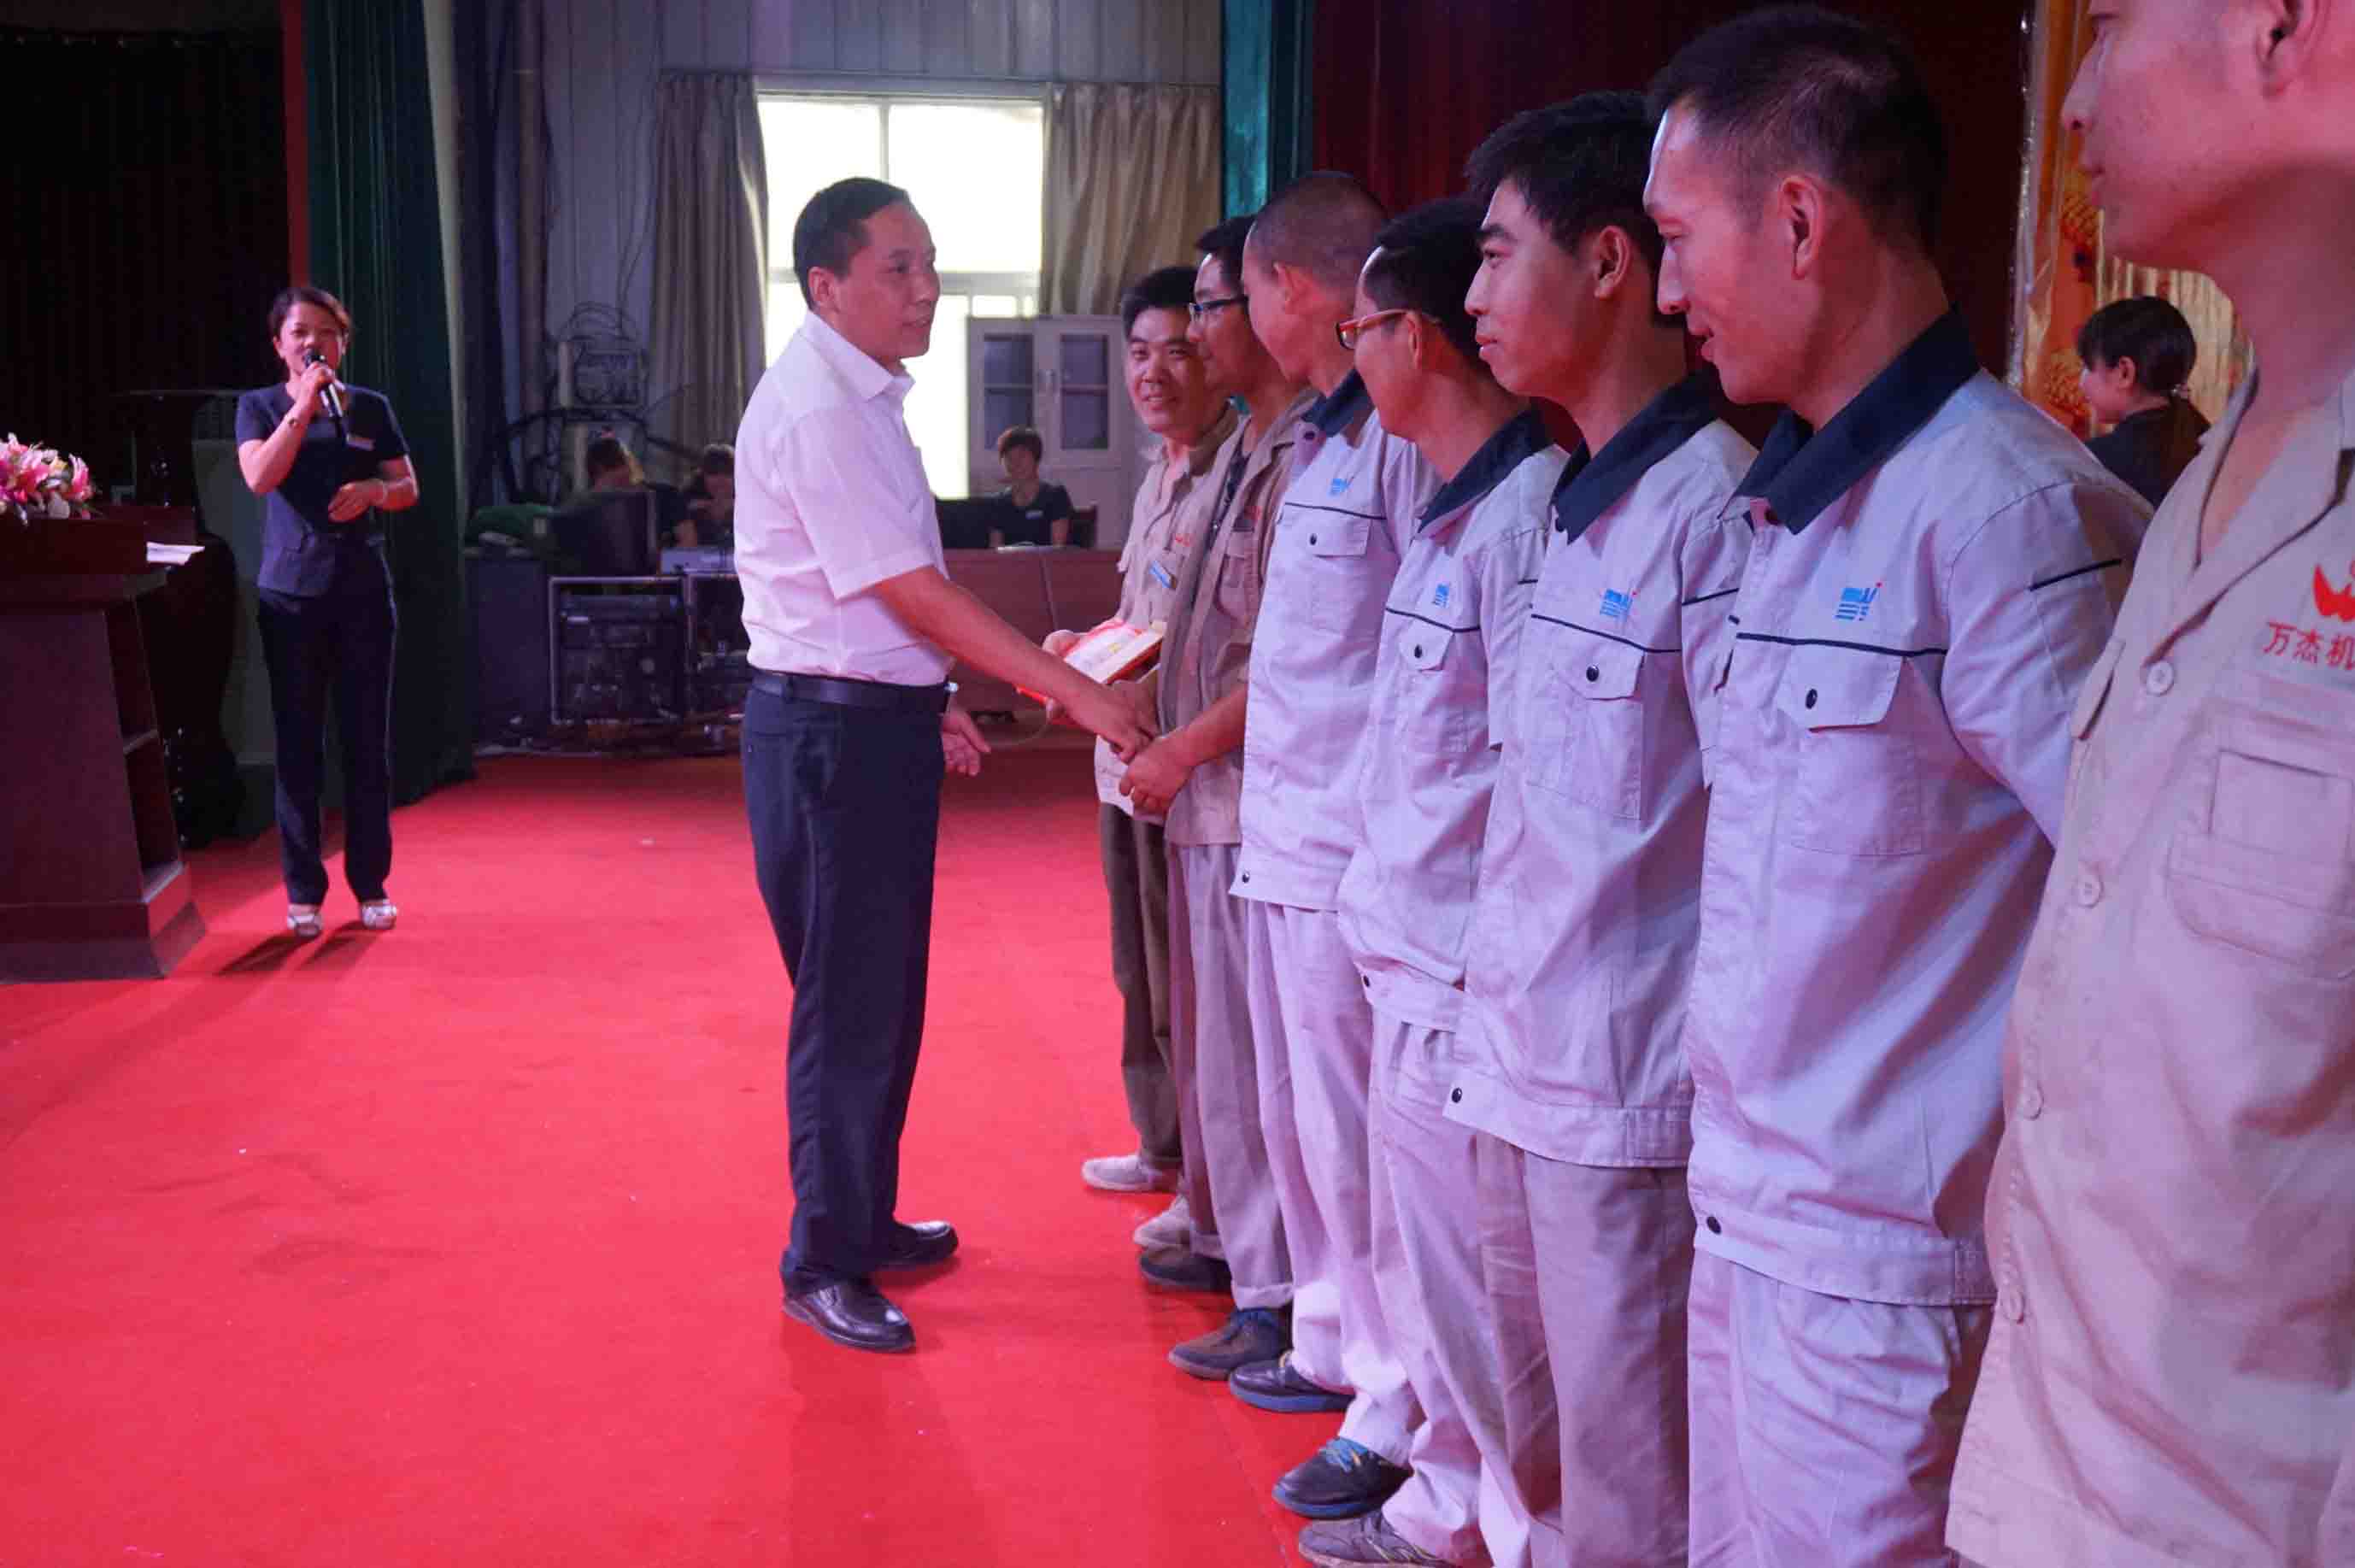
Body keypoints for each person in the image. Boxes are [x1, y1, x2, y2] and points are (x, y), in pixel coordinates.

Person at [1643, 9, 2151, 1561]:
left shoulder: (2008, 518)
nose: (1666, 292)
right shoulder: (1790, 508)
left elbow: (2135, 914)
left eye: (1678, 239)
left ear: (1800, 221)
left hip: (1888, 1280)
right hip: (1749, 1218)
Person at [1947, 7, 2355, 1566]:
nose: (2075, 104)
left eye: (2110, 25)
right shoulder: (2205, 482)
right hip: (2062, 1461)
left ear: (2282, 26)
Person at [736, 176, 1150, 1355]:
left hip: (866, 721)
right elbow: (912, 589)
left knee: (880, 993)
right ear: (828, 285)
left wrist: (937, 699)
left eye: (927, 263)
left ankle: (861, 1215)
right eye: (900, 268)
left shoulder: (862, 394)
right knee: (845, 1005)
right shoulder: (821, 407)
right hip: (828, 738)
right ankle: (823, 1256)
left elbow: (882, 593)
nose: (927, 288)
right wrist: (1070, 690)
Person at [1444, 94, 1759, 1568]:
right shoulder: (1569, 504)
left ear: (1613, 262)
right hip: (1518, 1056)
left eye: (1499, 255)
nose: (1475, 298)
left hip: (1626, 1093)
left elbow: (1756, 834)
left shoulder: (1718, 515)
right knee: (1546, 1450)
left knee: (1642, 1487)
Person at [1298, 197, 1559, 1568]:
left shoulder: (1526, 520)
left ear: (1418, 336)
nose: (1351, 357)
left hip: (1468, 976)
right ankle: (1448, 1495)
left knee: (1485, 1296)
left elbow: (1531, 778)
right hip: (1403, 949)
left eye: (1361, 330)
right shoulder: (1455, 512)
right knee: (1421, 1273)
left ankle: (1504, 1525)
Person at [1224, 171, 1436, 1524]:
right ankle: (1331, 1335)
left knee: (1365, 1147)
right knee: (1306, 1130)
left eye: (1247, 293)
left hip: (1352, 844)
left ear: (1292, 289)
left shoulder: (1406, 438)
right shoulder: (1322, 437)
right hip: (1286, 834)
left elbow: (1423, 658)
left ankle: (1397, 1398)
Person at [1125, 215, 1317, 1330]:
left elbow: (1289, 662)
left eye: (1206, 310)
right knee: (1211, 1045)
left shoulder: (1313, 458)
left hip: (1253, 802)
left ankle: (1275, 1287)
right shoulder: (1243, 448)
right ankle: (1233, 1244)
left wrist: (1180, 744)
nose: (1192, 338)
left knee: (1260, 1060)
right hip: (1202, 795)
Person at [1050, 265, 1236, 1210]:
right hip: (1120, 762)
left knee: (1185, 980)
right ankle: (1159, 1144)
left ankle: (1207, 1178)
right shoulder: (1160, 472)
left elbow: (1219, 642)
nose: (1152, 373)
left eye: (1176, 351)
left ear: (1215, 355)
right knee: (1138, 969)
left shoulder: (1234, 472)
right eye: (1136, 354)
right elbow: (1144, 622)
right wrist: (1075, 656)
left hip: (1183, 766)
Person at [233, 285, 420, 939]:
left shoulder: (369, 406)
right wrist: (303, 407)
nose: (314, 342)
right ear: (279, 345)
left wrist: (375, 490)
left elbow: (408, 486)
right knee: (298, 747)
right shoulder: (259, 406)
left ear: (343, 342)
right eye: (300, 332)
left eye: (327, 332)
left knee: (367, 746)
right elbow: (259, 477)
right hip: (291, 597)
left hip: (363, 592)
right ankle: (303, 892)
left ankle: (371, 884)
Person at [2076, 296, 2213, 508]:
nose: (2081, 381)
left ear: (2124, 372)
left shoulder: (2095, 463)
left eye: (2087, 366)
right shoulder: (2212, 443)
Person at [584, 431, 690, 548]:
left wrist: (662, 559)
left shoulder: (666, 496)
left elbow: (689, 543)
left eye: (620, 481)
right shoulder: (586, 512)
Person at [989, 426, 1074, 548]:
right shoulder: (998, 502)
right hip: (1010, 561)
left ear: (1036, 459)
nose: (1015, 463)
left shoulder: (1055, 495)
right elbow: (995, 551)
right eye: (1008, 457)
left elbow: (1058, 550)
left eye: (1021, 455)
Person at [679, 442, 736, 549]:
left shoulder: (751, 505)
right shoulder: (686, 505)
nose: (720, 480)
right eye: (713, 473)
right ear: (702, 476)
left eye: (727, 473)